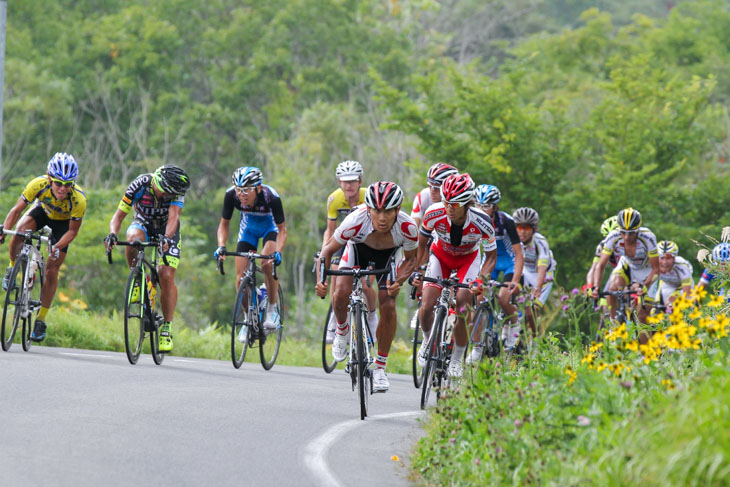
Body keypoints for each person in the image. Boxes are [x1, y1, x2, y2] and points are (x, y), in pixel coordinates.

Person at [315, 181, 418, 392]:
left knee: (388, 304)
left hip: (388, 258)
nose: (382, 218)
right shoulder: (354, 221)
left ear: (398, 209)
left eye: (388, 211)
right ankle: (342, 330)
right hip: (357, 250)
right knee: (341, 291)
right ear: (368, 208)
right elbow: (326, 252)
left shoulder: (407, 227)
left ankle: (380, 367)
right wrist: (321, 281)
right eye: (377, 211)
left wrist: (398, 281)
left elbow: (411, 259)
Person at [415, 173, 497, 378]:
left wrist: (480, 280)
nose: (449, 207)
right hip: (440, 256)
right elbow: (421, 244)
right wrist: (418, 269)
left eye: (455, 204)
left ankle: (457, 359)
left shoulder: (483, 221)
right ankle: (428, 341)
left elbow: (490, 257)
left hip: (467, 260)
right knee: (426, 304)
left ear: (468, 203)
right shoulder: (434, 212)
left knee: (462, 303)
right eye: (446, 202)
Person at [0, 153, 86, 342]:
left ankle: (41, 320)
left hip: (63, 225)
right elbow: (17, 210)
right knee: (20, 230)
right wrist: (4, 231)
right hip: (42, 213)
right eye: (58, 183)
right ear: (49, 178)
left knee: (53, 268)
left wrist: (58, 246)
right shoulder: (37, 185)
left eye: (68, 184)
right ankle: (11, 266)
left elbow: (72, 232)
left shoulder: (79, 200)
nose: (63, 188)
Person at [105, 165, 190, 353]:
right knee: (132, 240)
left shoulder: (176, 191)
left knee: (166, 275)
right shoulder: (140, 184)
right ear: (159, 184)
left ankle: (167, 328)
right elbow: (118, 216)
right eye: (167, 193)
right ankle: (137, 279)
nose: (170, 196)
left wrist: (167, 238)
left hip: (166, 228)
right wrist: (112, 234)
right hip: (142, 223)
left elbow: (174, 217)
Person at [214, 167, 287, 331]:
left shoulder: (271, 197)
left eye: (246, 190)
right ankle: (248, 319)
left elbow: (282, 230)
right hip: (248, 230)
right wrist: (221, 246)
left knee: (267, 262)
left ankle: (272, 309)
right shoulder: (231, 195)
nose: (242, 194)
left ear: (258, 188)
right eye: (239, 190)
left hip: (270, 228)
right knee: (240, 279)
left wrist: (278, 252)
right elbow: (223, 224)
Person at [320, 160, 377, 342]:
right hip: (345, 240)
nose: (349, 185)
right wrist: (324, 251)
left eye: (353, 181)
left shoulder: (369, 196)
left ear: (360, 181)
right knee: (336, 274)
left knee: (366, 283)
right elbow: (330, 230)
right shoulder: (334, 199)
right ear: (339, 182)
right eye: (345, 181)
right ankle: (335, 317)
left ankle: (372, 315)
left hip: (369, 241)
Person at [466, 184, 523, 364]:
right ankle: (476, 347)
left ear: (495, 207)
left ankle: (514, 324)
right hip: (490, 261)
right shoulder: (473, 219)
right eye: (478, 205)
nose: (481, 209)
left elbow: (519, 254)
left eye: (486, 206)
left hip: (509, 264)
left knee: (503, 298)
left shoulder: (506, 222)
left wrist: (515, 281)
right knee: (478, 298)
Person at [591, 207, 659, 343]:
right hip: (627, 265)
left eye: (631, 233)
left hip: (647, 270)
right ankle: (614, 322)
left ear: (638, 230)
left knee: (643, 315)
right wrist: (596, 287)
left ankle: (646, 352)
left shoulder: (648, 237)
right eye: (623, 233)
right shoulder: (613, 236)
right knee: (611, 289)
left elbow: (656, 269)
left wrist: (644, 286)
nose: (626, 237)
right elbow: (601, 265)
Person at [512, 207, 556, 345]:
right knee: (512, 301)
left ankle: (536, 342)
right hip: (526, 271)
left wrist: (537, 287)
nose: (523, 231)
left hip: (543, 275)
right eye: (519, 227)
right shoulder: (513, 241)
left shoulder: (540, 241)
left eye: (527, 228)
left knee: (531, 309)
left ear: (534, 228)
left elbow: (542, 267)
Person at [410, 162, 459, 229]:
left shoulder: (459, 201)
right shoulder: (423, 196)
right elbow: (413, 228)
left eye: (437, 188)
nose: (432, 191)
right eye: (430, 186)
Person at [646, 240, 693, 309]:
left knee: (672, 303)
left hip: (682, 286)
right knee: (655, 307)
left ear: (674, 258)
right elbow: (645, 283)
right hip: (667, 285)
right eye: (662, 258)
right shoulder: (653, 264)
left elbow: (687, 294)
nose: (664, 262)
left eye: (668, 258)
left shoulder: (682, 266)